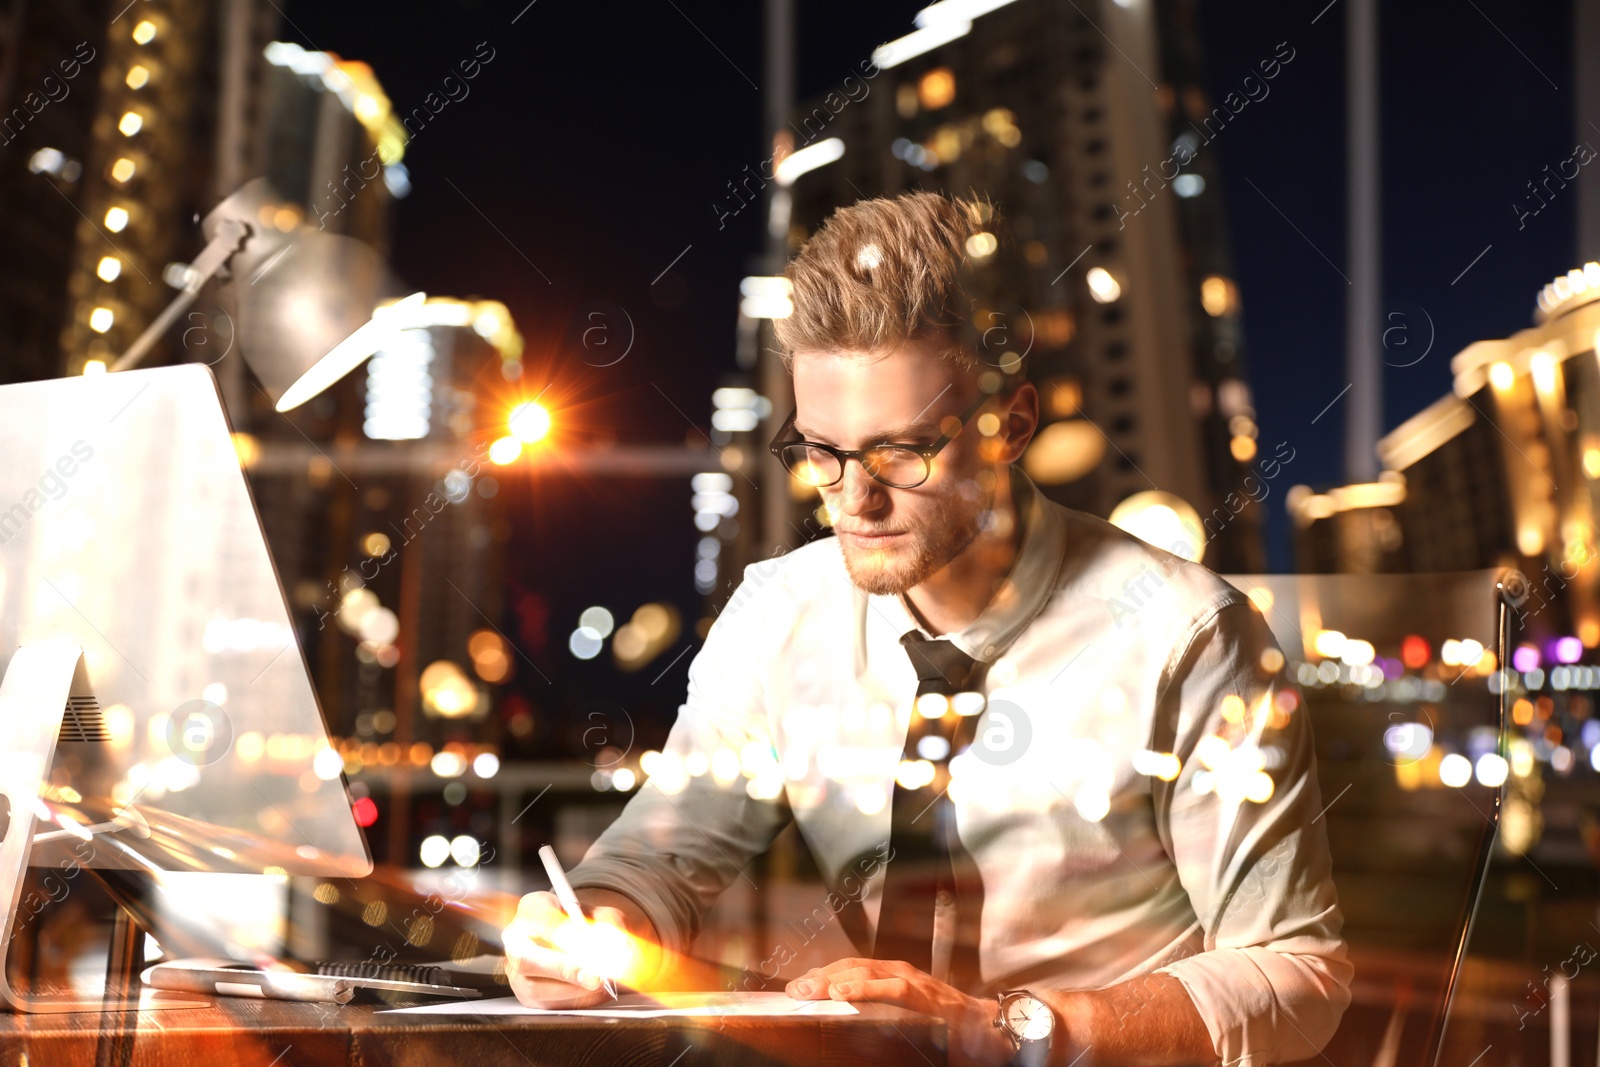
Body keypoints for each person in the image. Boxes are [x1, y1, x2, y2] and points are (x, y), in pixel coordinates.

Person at [502, 191, 1350, 1067]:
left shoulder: (1190, 636)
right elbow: (661, 856)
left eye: (902, 451)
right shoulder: (777, 614)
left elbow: (1298, 972)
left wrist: (1013, 1029)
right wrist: (595, 917)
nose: (853, 500)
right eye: (821, 451)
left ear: (1010, 426)